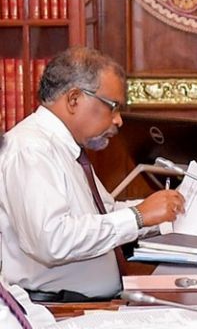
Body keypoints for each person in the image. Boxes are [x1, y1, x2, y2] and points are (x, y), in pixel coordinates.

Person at [0, 47, 186, 300]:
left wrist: (164, 214)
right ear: (74, 99)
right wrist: (139, 216)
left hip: (91, 305)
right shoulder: (31, 149)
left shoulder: (65, 148)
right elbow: (52, 241)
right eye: (112, 107)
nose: (118, 120)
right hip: (57, 310)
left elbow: (101, 216)